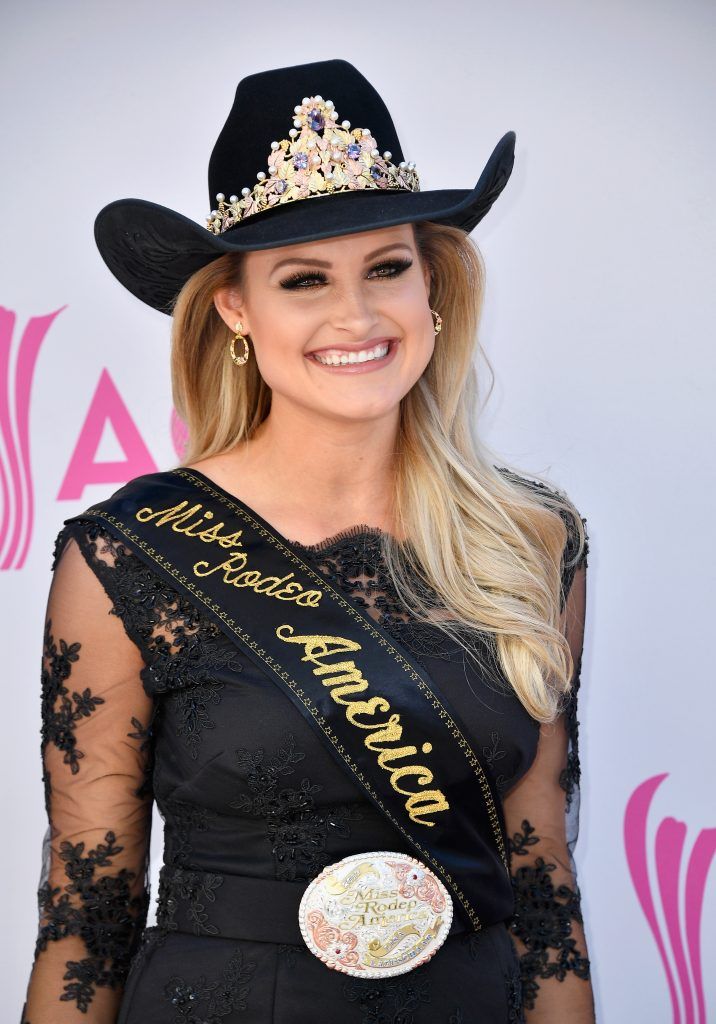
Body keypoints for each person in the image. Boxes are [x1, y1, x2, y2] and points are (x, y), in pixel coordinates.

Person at [20, 58, 596, 1023]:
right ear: (235, 309)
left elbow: (543, 877)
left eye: (387, 268)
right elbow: (88, 908)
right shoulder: (132, 551)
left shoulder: (532, 538)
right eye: (304, 279)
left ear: (431, 286)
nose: (357, 316)